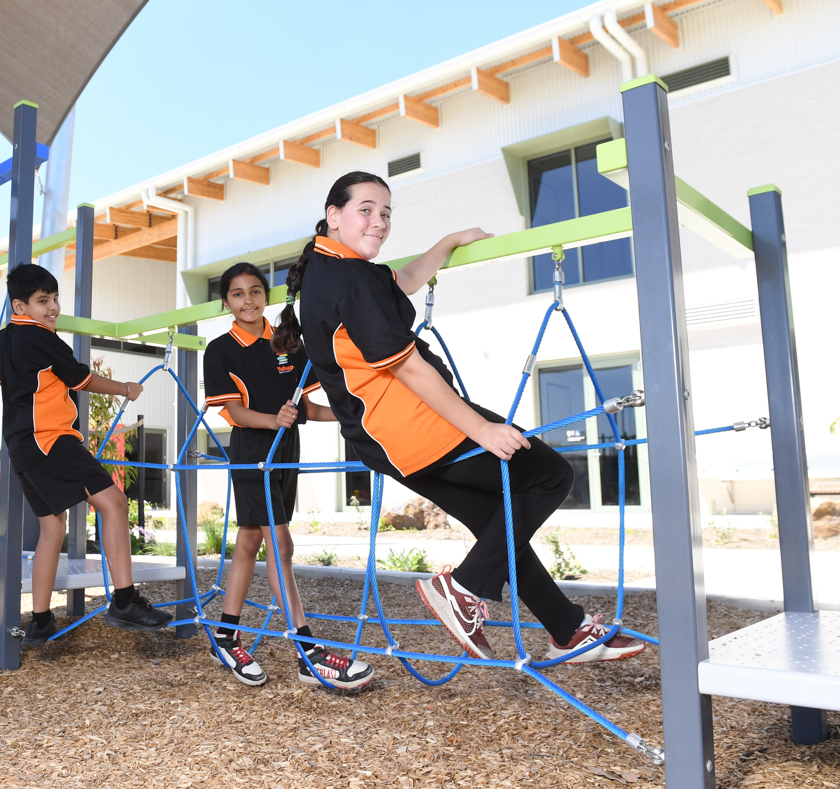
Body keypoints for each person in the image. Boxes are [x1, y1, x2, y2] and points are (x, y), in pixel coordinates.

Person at [271, 171, 645, 665]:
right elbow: (409, 367)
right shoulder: (348, 279)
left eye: (386, 213)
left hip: (379, 439)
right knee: (548, 475)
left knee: (499, 524)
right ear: (334, 215)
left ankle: (567, 629)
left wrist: (447, 242)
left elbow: (399, 281)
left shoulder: (332, 267)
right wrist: (483, 429)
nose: (379, 222)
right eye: (365, 209)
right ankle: (464, 589)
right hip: (415, 425)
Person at [0, 263, 172, 649]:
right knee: (115, 503)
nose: (52, 308)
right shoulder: (45, 339)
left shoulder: (4, 340)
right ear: (20, 306)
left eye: (54, 299)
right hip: (52, 441)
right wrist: (125, 388)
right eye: (42, 301)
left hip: (22, 449)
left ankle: (39, 621)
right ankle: (124, 601)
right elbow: (81, 379)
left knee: (53, 530)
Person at [204, 262, 374, 689]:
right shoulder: (220, 349)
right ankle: (307, 651)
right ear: (226, 301)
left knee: (249, 540)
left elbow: (306, 410)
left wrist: (349, 415)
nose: (248, 300)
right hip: (253, 452)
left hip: (286, 450)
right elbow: (234, 413)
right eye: (238, 294)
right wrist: (273, 419)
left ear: (266, 296)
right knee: (281, 544)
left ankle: (224, 634)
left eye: (256, 291)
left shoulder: (285, 344)